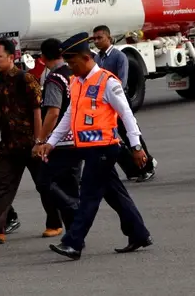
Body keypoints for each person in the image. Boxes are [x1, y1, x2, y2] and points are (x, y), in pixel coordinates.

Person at [34, 32, 152, 260]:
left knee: (89, 195)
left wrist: (136, 146)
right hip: (88, 148)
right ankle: (139, 234)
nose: (70, 67)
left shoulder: (107, 82)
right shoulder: (76, 82)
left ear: (85, 58)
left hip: (104, 148)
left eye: (72, 62)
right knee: (116, 195)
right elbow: (69, 115)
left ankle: (73, 243)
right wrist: (50, 142)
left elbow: (126, 114)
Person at [0, 38, 62, 244]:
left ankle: (54, 223)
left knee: (44, 185)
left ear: (11, 57)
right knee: (2, 187)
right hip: (9, 146)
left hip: (31, 145)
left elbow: (37, 112)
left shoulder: (26, 79)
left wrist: (39, 142)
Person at [92, 25, 157, 182]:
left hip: (119, 99)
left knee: (130, 134)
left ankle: (147, 167)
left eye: (100, 38)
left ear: (109, 38)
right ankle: (133, 168)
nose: (96, 41)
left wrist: (110, 94)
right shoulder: (97, 58)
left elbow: (122, 81)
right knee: (114, 138)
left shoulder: (119, 56)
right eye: (94, 39)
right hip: (105, 103)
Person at [35, 38, 82, 231]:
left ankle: (74, 226)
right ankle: (74, 233)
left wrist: (41, 140)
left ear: (43, 58)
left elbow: (53, 112)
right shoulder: (74, 74)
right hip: (79, 137)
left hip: (61, 142)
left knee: (48, 183)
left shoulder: (55, 79)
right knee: (71, 185)